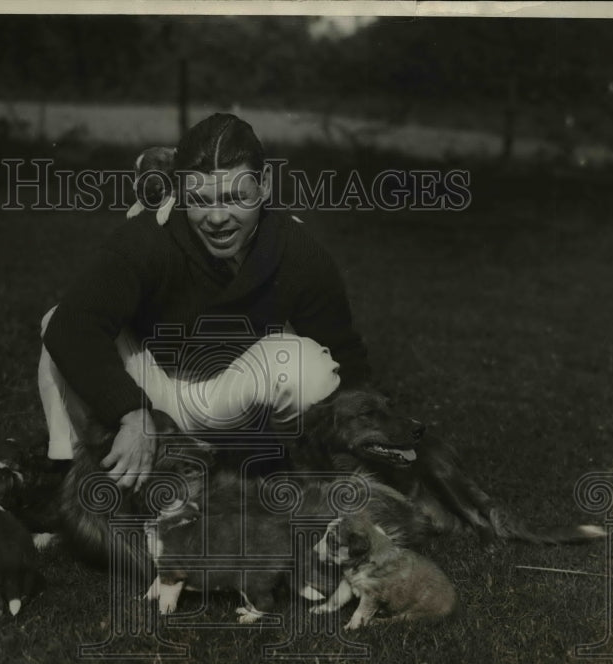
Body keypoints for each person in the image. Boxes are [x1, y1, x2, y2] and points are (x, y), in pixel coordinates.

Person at [38, 112, 371, 489]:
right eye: (200, 199)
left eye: (234, 198)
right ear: (179, 190)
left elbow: (344, 351)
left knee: (310, 369)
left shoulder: (296, 249)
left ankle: (290, 470)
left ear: (264, 184)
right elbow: (74, 324)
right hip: (152, 386)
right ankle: (74, 471)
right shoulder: (148, 238)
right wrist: (131, 411)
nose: (216, 218)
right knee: (59, 321)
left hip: (233, 394)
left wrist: (372, 435)